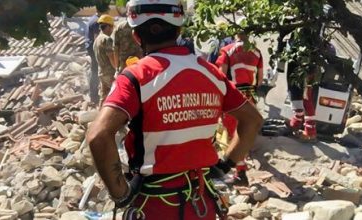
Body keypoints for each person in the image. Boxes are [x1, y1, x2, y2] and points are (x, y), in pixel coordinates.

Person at [86, 0, 263, 219]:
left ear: (136, 35)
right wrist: (224, 165)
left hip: (154, 206)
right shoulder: (211, 73)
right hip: (201, 204)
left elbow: (98, 136)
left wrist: (121, 194)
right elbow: (253, 120)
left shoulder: (135, 77)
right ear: (179, 29)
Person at [215, 25, 264, 185]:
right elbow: (260, 78)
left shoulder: (227, 50)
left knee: (233, 134)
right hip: (250, 96)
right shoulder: (256, 51)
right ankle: (241, 170)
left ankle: (240, 173)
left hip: (234, 96)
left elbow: (220, 76)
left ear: (236, 32)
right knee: (245, 132)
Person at [85, 1, 110, 105]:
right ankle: (94, 96)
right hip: (94, 50)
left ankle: (94, 94)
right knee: (96, 71)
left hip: (91, 48)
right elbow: (97, 39)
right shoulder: (97, 22)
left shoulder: (93, 18)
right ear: (105, 10)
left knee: (95, 70)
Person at [93, 14, 117, 108]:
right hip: (109, 73)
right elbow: (111, 57)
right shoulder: (107, 40)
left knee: (103, 96)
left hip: (101, 72)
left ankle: (99, 114)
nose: (112, 30)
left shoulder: (97, 39)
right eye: (111, 27)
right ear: (108, 26)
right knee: (115, 95)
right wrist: (117, 70)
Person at [112, 5, 142, 75]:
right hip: (139, 61)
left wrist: (116, 68)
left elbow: (115, 49)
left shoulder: (119, 27)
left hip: (124, 64)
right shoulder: (141, 25)